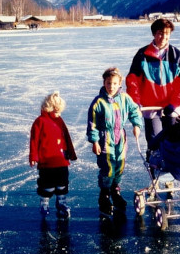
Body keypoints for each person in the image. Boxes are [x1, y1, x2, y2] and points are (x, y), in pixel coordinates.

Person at [126, 18, 180, 179]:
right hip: (150, 108)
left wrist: (174, 103)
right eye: (160, 33)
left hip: (171, 108)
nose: (164, 37)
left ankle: (174, 173)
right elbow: (132, 81)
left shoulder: (176, 55)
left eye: (167, 34)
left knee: (174, 141)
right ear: (154, 34)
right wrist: (136, 103)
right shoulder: (142, 55)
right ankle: (156, 171)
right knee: (155, 142)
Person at [87, 67, 143, 216]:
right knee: (108, 168)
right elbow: (92, 124)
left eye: (114, 83)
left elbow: (134, 110)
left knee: (119, 166)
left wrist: (136, 125)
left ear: (120, 84)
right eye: (108, 83)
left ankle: (115, 190)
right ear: (104, 83)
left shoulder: (124, 98)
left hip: (121, 138)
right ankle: (105, 194)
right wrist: (95, 141)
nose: (111, 86)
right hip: (105, 139)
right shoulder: (98, 102)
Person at [29, 91, 77, 219]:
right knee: (47, 185)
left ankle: (61, 201)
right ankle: (44, 203)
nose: (59, 114)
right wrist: (33, 156)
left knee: (62, 183)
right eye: (57, 111)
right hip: (46, 162)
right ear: (49, 109)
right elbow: (34, 140)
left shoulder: (59, 120)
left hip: (61, 160)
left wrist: (71, 153)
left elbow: (66, 137)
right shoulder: (40, 122)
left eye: (60, 112)